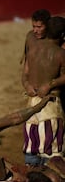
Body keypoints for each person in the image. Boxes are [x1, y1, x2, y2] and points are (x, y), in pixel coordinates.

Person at [21, 15, 65, 165]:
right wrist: (51, 84)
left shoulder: (32, 45)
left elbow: (25, 73)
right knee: (51, 149)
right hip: (50, 105)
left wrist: (27, 86)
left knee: (31, 144)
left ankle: (32, 179)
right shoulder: (60, 53)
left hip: (31, 103)